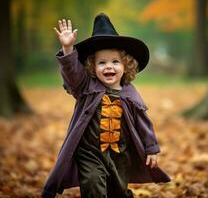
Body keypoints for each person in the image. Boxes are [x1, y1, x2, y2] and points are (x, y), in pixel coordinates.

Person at [41, 13, 170, 198]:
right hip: (90, 153)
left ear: (126, 66)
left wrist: (151, 149)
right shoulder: (86, 88)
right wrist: (68, 49)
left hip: (121, 154)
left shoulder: (130, 95)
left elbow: (144, 123)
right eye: (102, 62)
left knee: (118, 191)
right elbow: (72, 74)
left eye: (115, 62)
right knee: (93, 185)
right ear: (92, 67)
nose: (108, 66)